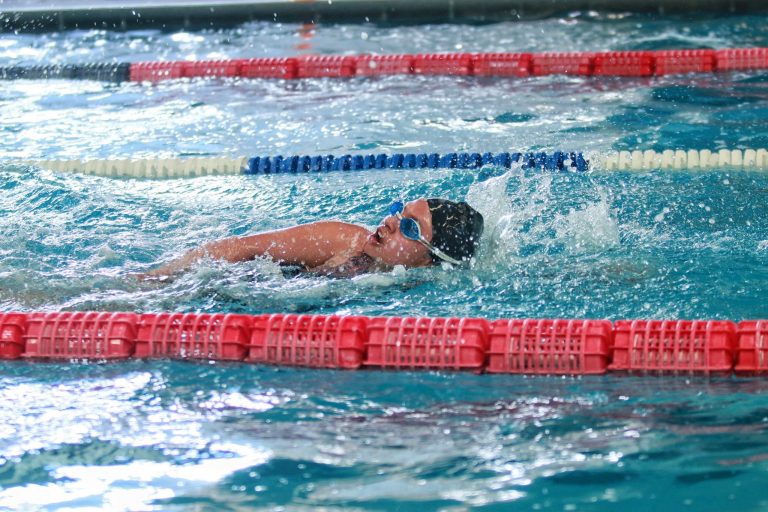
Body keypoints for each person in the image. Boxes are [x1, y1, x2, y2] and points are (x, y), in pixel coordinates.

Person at [138, 198, 484, 279]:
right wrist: (158, 278)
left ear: (428, 258)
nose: (389, 222)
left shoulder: (423, 293)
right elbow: (241, 247)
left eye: (409, 228)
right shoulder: (343, 241)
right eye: (398, 212)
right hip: (233, 286)